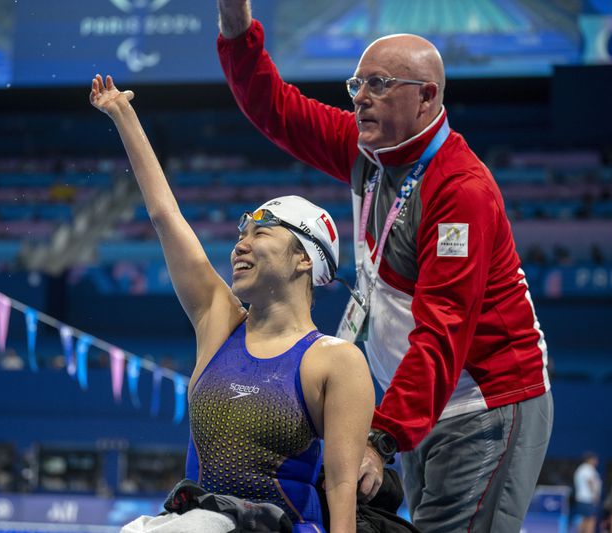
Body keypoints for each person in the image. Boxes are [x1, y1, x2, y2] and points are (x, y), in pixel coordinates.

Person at [216, 2, 554, 531]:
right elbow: (273, 108)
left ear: (427, 96)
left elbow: (444, 329)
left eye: (379, 83)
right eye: (356, 85)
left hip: (483, 403)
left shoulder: (460, 191)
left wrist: (381, 437)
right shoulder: (369, 151)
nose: (361, 98)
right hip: (419, 404)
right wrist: (236, 28)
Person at [90, 73, 374, 533]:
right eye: (241, 235)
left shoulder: (335, 361)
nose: (240, 246)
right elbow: (165, 217)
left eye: (260, 233)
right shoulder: (218, 322)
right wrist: (123, 115)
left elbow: (342, 486)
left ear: (305, 259)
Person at [573, 453, 601, 533]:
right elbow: (590, 482)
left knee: (584, 519)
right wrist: (595, 495)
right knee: (591, 520)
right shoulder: (588, 468)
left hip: (582, 498)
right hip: (588, 499)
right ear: (590, 460)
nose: (597, 461)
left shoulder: (581, 468)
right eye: (595, 459)